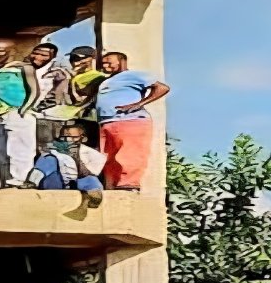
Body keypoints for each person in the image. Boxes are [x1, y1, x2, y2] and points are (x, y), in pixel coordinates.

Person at [93, 52, 168, 190]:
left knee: (130, 153)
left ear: (121, 61)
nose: (105, 65)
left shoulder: (134, 75)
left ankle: (128, 185)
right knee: (108, 157)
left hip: (130, 121)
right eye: (103, 63)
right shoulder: (106, 80)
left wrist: (139, 104)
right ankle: (112, 186)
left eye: (109, 61)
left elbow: (162, 88)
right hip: (107, 122)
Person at [0, 39, 42, 187]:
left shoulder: (24, 68)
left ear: (13, 51)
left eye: (2, 50)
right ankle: (4, 180)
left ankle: (20, 179)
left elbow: (34, 90)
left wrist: (24, 109)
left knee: (20, 149)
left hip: (16, 112)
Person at [31, 121, 107, 205]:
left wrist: (78, 162)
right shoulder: (53, 149)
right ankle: (32, 183)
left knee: (92, 180)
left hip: (77, 182)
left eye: (73, 137)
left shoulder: (91, 153)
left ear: (83, 138)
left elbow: (94, 172)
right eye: (65, 137)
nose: (68, 140)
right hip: (57, 182)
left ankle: (93, 199)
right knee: (49, 160)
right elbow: (44, 164)